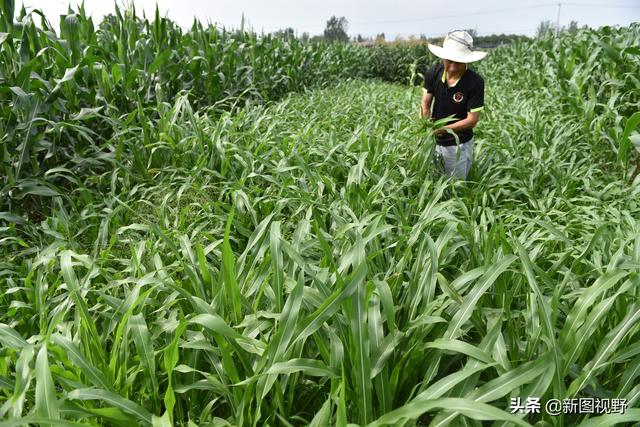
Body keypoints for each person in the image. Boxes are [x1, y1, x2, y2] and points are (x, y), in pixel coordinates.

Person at [420, 30, 487, 180]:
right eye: (449, 60)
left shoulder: (475, 82)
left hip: (458, 145)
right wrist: (425, 123)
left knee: (455, 188)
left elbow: (472, 120)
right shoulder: (434, 73)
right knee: (433, 182)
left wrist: (441, 130)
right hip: (433, 142)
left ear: (467, 61)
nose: (452, 66)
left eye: (458, 62)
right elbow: (425, 102)